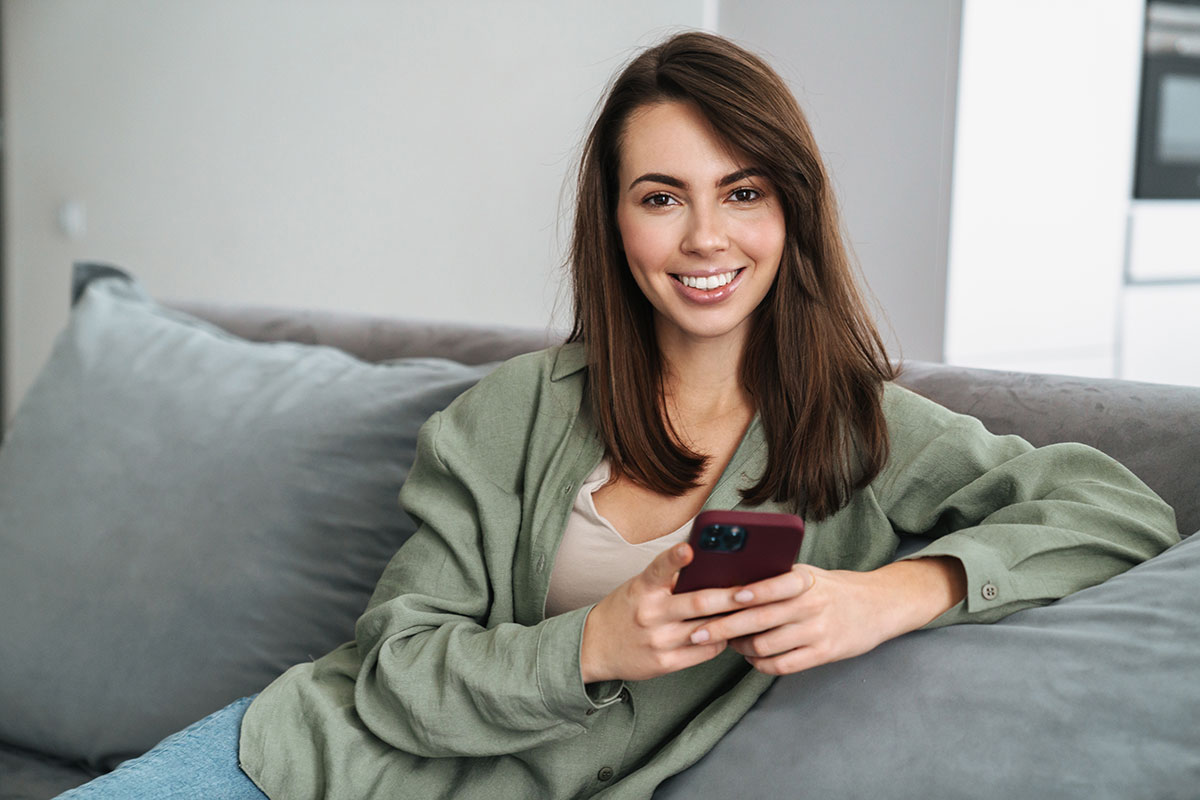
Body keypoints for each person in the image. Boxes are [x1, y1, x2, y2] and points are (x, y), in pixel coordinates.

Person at [57, 30, 1178, 800]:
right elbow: (393, 668)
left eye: (743, 191)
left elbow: (1117, 508)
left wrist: (893, 594)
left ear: (791, 207)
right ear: (615, 221)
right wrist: (593, 643)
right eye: (661, 197)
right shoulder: (508, 416)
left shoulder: (862, 431)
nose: (706, 238)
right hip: (307, 764)